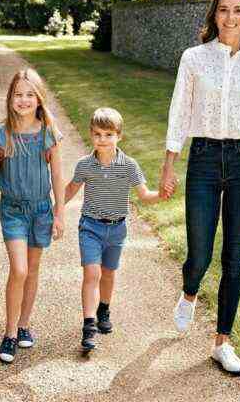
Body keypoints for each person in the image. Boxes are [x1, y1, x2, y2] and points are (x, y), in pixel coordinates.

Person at [159, 0, 240, 374]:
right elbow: (180, 110)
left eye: (239, 10)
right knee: (200, 254)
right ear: (214, 14)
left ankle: (222, 342)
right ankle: (190, 291)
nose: (231, 17)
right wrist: (169, 161)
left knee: (235, 257)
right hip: (205, 159)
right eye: (224, 9)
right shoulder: (194, 58)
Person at [0, 68, 65, 364]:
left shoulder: (48, 132)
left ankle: (24, 324)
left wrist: (59, 212)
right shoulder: (1, 133)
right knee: (18, 269)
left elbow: (57, 174)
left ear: (39, 99)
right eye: (18, 94)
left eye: (30, 95)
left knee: (32, 269)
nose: (24, 100)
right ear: (10, 98)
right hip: (13, 210)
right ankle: (9, 333)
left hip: (41, 210)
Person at [65, 108, 162, 352]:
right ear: (91, 135)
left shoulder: (129, 166)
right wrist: (54, 209)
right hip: (90, 227)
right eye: (97, 134)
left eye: (109, 134)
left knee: (108, 274)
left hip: (117, 229)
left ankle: (104, 309)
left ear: (119, 136)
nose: (102, 139)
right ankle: (88, 327)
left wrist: (162, 194)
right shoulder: (85, 165)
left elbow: (144, 195)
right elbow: (70, 190)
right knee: (92, 274)